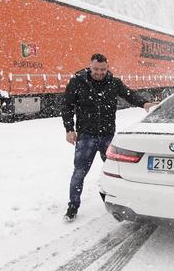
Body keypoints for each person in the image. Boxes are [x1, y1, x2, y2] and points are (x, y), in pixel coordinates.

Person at [61, 53, 157, 221]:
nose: (99, 72)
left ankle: (117, 201)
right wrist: (69, 129)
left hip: (107, 136)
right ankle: (73, 206)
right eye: (96, 69)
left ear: (107, 67)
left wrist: (144, 103)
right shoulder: (77, 82)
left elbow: (129, 94)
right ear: (90, 66)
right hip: (86, 136)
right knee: (79, 172)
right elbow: (67, 106)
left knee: (115, 171)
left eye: (103, 69)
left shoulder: (114, 83)